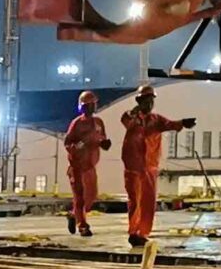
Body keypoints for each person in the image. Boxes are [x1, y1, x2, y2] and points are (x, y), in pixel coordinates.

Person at [118, 85, 194, 249]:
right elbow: (126, 121)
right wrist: (134, 113)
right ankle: (133, 232)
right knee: (135, 201)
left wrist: (182, 123)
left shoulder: (156, 120)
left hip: (150, 167)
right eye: (147, 100)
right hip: (134, 167)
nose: (150, 104)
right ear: (139, 101)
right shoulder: (131, 118)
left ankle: (142, 233)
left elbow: (170, 124)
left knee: (148, 202)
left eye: (152, 101)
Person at [63, 91, 111, 237]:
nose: (91, 108)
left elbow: (101, 139)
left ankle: (73, 215)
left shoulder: (98, 123)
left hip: (90, 166)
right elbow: (68, 143)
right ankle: (82, 226)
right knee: (80, 198)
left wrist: (104, 144)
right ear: (82, 107)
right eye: (87, 105)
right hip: (77, 167)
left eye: (92, 104)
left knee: (91, 196)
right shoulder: (77, 123)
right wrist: (78, 146)